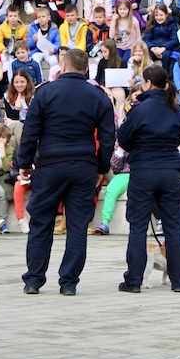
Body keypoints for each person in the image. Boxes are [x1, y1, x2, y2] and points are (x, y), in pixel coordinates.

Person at [16, 49, 115, 296]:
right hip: (83, 165)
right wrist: (101, 168)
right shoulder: (99, 96)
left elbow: (30, 132)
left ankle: (34, 280)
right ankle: (69, 282)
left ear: (63, 65)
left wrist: (24, 163)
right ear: (87, 69)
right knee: (78, 226)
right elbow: (107, 138)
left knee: (41, 222)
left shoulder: (45, 92)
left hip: (50, 164)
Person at [116, 65, 180, 293]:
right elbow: (179, 136)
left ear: (147, 83)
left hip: (144, 169)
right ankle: (179, 280)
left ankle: (134, 281)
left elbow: (124, 139)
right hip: (170, 170)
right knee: (173, 227)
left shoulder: (138, 110)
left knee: (138, 227)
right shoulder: (178, 110)